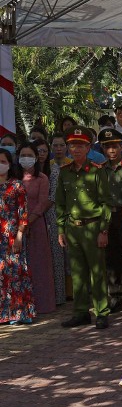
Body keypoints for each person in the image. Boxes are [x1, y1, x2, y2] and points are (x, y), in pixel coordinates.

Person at [55, 127, 112, 329]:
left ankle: (102, 312)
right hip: (73, 228)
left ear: (88, 147)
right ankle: (80, 312)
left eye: (80, 145)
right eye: (72, 145)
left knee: (97, 272)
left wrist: (103, 230)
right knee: (77, 272)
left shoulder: (97, 170)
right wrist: (61, 230)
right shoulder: (64, 173)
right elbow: (60, 203)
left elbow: (106, 203)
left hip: (93, 227)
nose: (75, 149)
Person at [18, 142, 56, 315]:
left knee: (39, 264)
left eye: (29, 155)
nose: (26, 159)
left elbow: (42, 204)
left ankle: (42, 304)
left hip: (36, 225)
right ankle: (21, 306)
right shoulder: (14, 179)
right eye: (23, 155)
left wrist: (27, 222)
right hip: (15, 226)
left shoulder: (42, 178)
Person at [0, 148, 36, 324]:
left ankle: (18, 313)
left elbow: (23, 212)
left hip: (13, 236)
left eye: (3, 161)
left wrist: (20, 236)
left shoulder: (17, 185)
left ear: (9, 164)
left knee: (15, 274)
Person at [100, 128, 122, 313]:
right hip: (107, 215)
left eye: (115, 146)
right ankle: (115, 297)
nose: (111, 150)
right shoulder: (100, 169)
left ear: (121, 147)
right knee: (111, 259)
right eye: (107, 147)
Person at [34, 139, 66, 305]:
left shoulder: (54, 169)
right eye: (38, 151)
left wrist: (37, 212)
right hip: (33, 218)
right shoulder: (27, 172)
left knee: (55, 256)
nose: (41, 154)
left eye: (44, 151)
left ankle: (58, 296)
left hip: (51, 215)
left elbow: (52, 197)